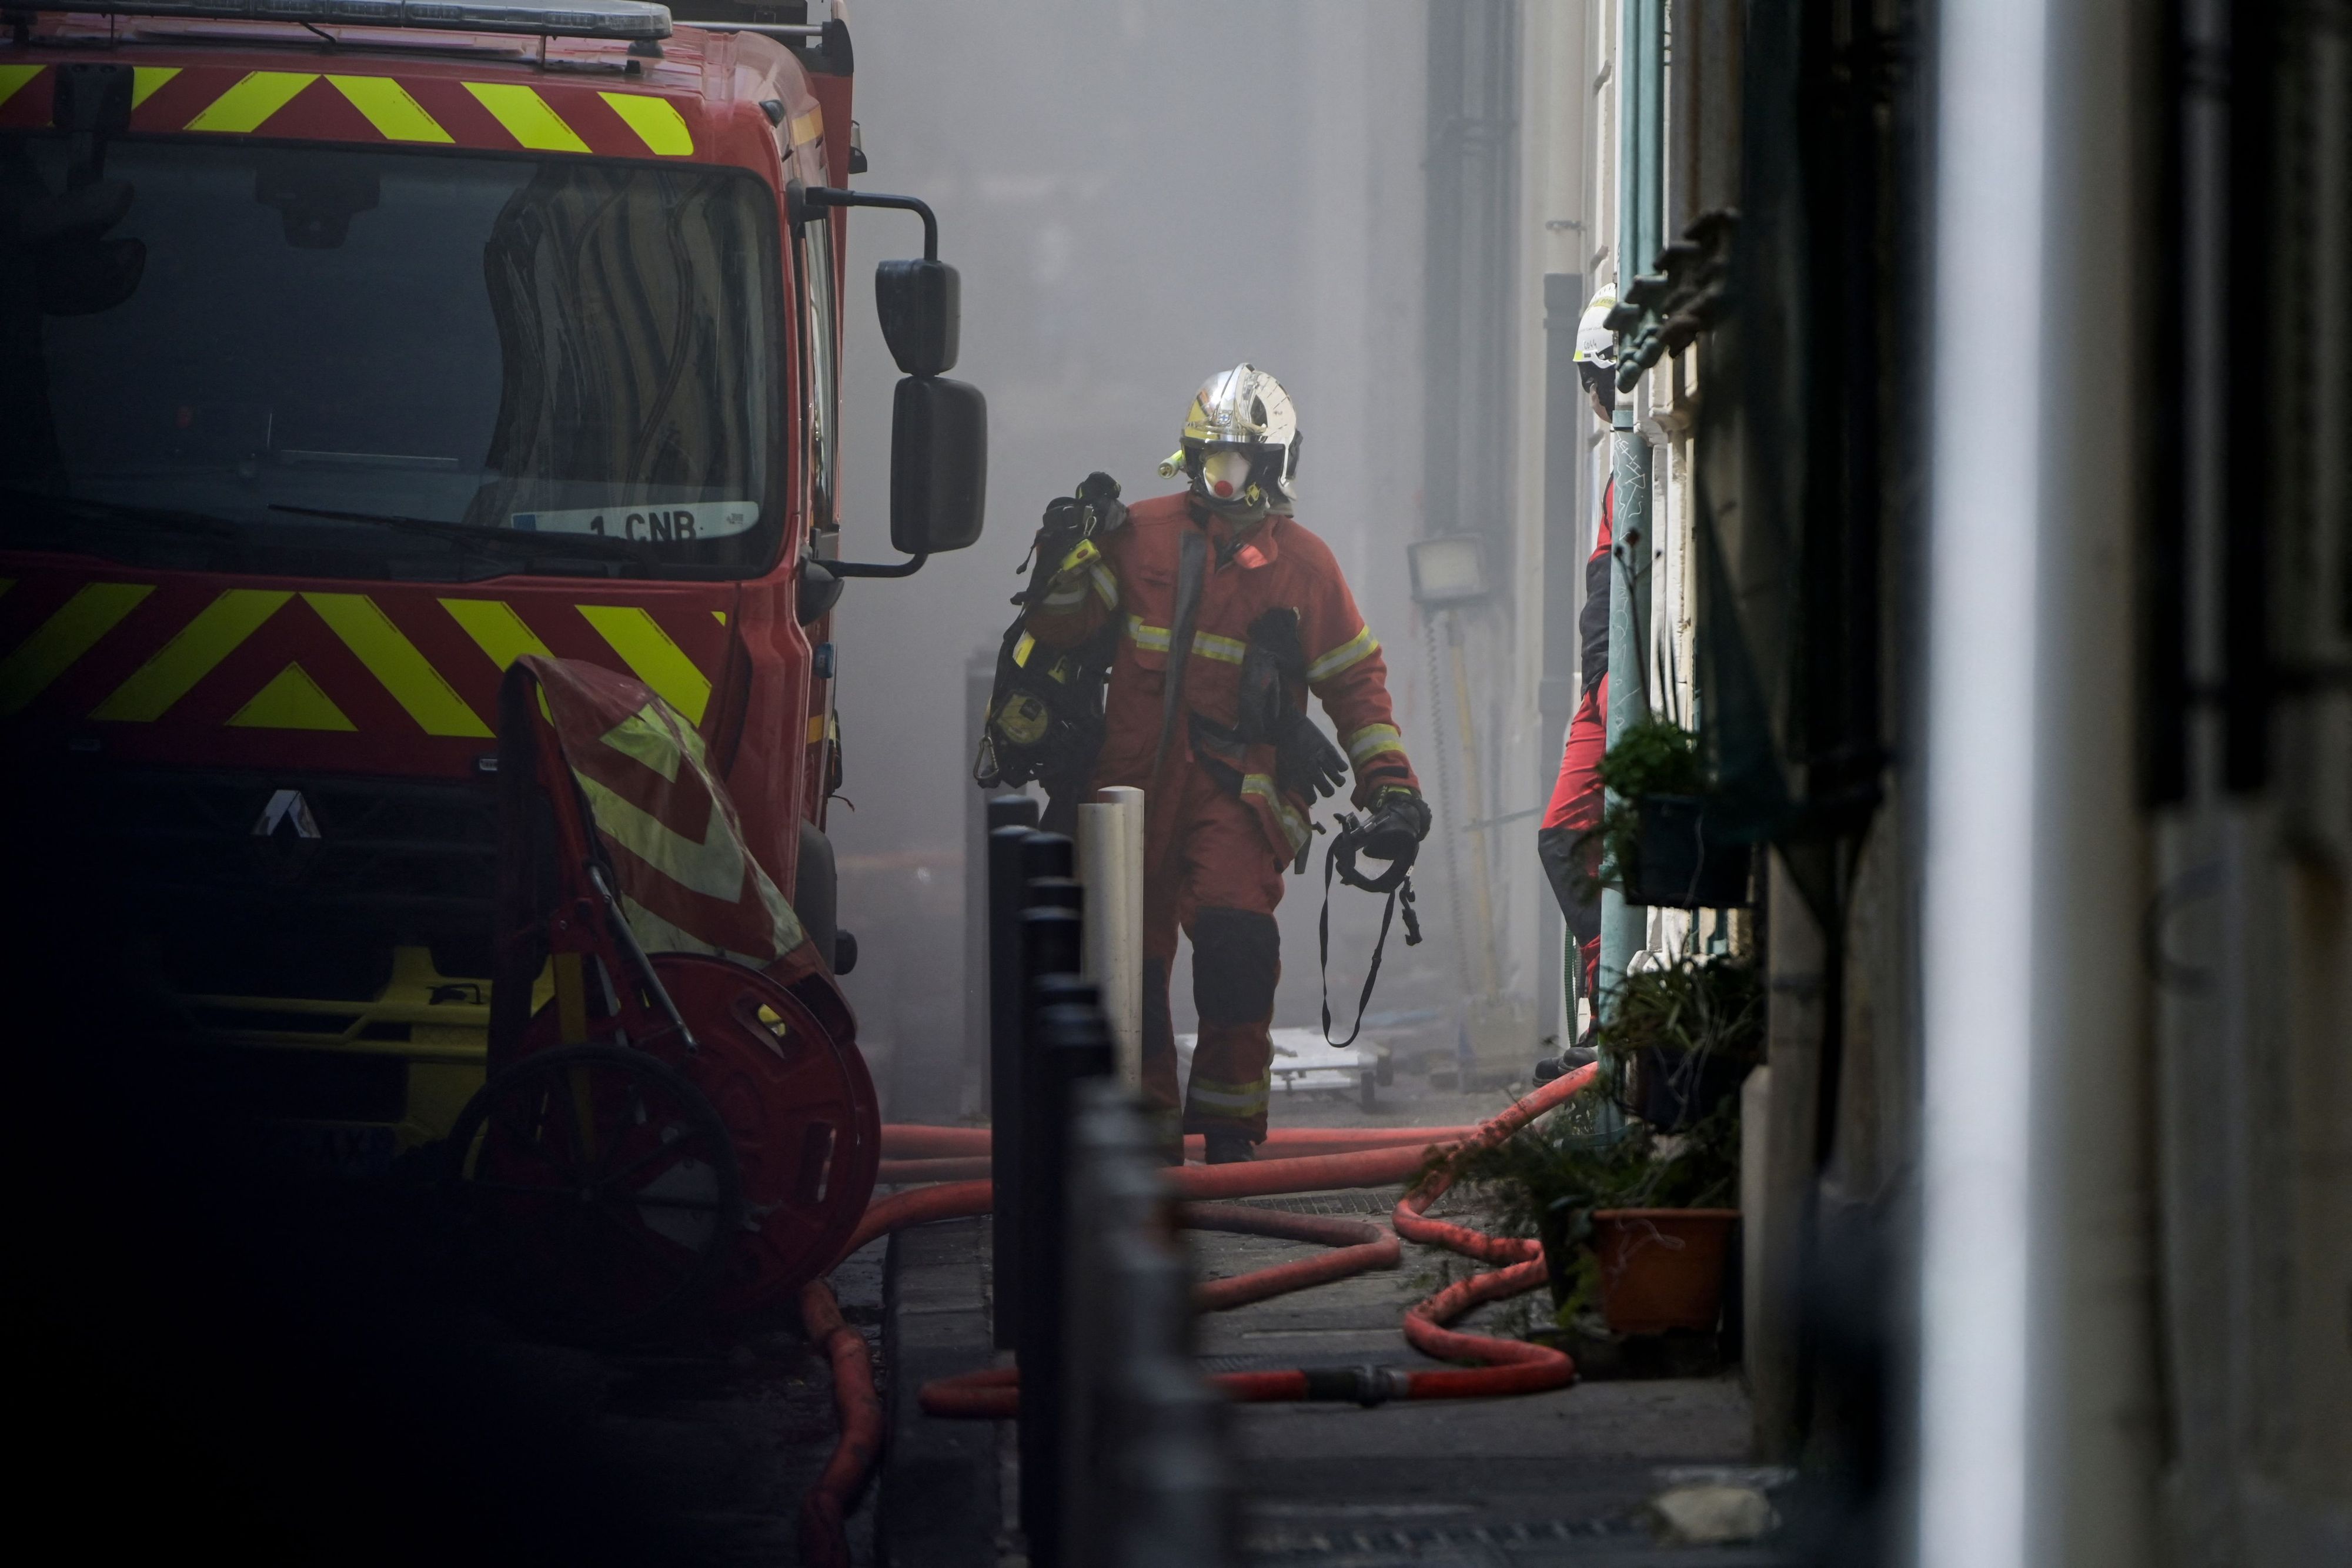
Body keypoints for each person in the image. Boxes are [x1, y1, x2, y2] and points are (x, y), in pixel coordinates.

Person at [1018, 365, 1428, 1162]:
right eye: (1208, 459)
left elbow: (1355, 686)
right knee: (1126, 975)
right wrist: (1067, 549)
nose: (1221, 478)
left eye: (1236, 462)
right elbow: (1059, 628)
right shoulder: (1138, 532)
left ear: (1272, 466)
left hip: (1238, 795)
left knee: (1238, 950)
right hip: (1125, 791)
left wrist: (1393, 789)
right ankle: (1141, 1141)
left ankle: (1232, 1134)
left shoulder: (1304, 567)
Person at [1535, 289, 1619, 1079]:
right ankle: (1609, 1000)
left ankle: (1613, 1003)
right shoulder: (1620, 471)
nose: (1591, 397)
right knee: (1564, 838)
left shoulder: (1633, 465)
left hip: (1610, 699)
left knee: (1569, 838)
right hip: (1602, 696)